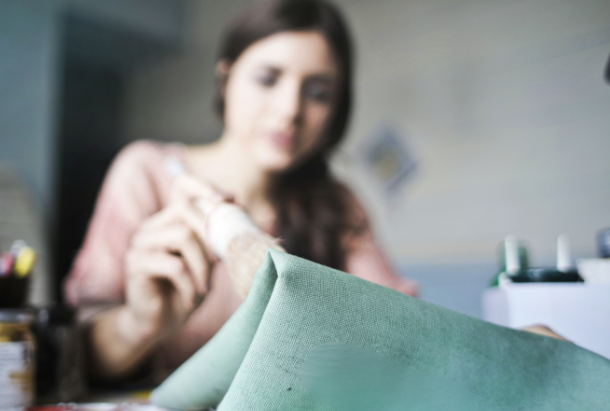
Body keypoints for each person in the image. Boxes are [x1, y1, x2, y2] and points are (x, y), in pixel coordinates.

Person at [64, 0, 417, 381]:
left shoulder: (337, 206)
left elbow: (405, 336)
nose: (289, 110)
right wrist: (139, 324)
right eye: (268, 79)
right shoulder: (147, 172)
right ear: (225, 78)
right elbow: (78, 359)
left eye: (317, 93)